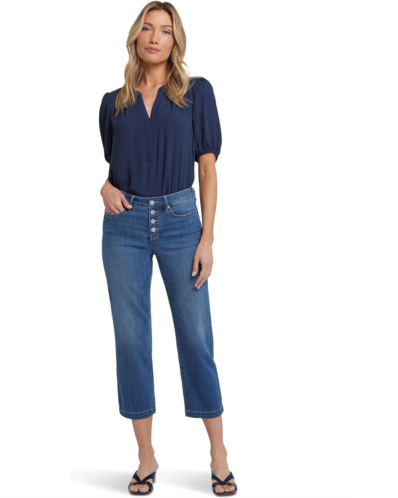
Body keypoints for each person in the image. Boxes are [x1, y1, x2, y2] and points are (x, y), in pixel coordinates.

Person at [99, 2, 237, 496]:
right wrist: (104, 187)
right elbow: (117, 168)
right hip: (124, 228)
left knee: (196, 339)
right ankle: (146, 456)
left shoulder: (197, 93)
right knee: (132, 341)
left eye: (165, 30)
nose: (155, 37)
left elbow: (207, 169)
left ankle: (218, 453)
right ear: (135, 36)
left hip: (181, 223)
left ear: (175, 41)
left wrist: (207, 237)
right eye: (147, 28)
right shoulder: (112, 103)